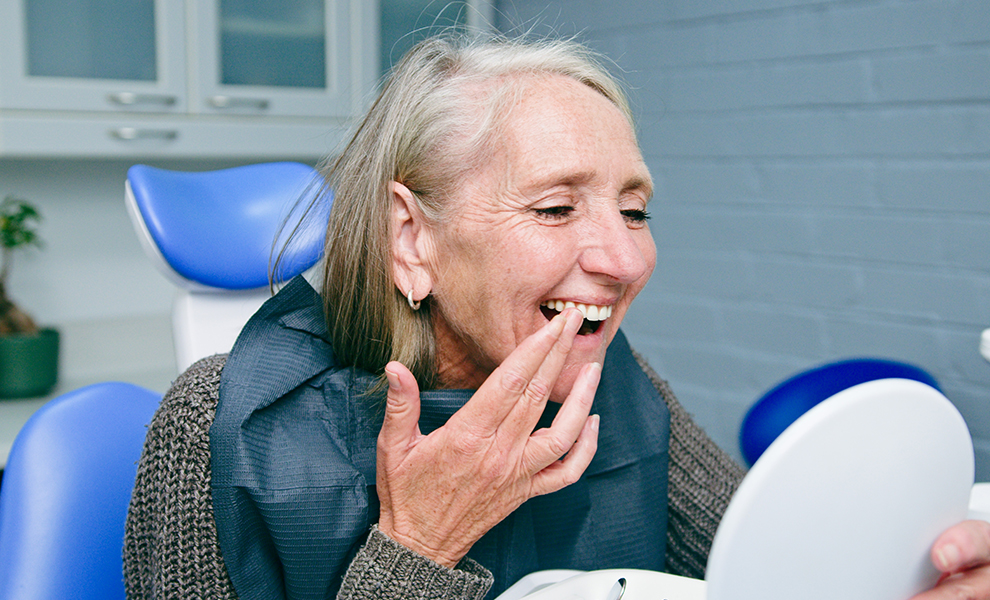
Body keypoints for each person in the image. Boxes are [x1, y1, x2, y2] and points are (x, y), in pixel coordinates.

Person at [124, 33, 990, 600]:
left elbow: (765, 569)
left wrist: (910, 577)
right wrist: (418, 546)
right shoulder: (215, 422)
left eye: (635, 209)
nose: (627, 259)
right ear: (411, 238)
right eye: (555, 209)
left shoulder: (603, 374)